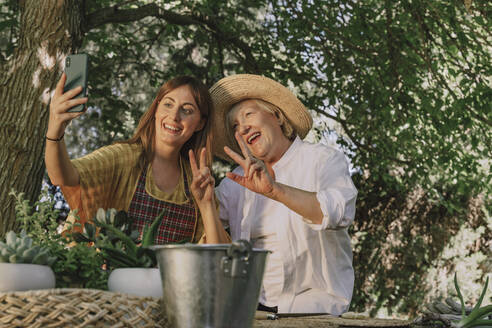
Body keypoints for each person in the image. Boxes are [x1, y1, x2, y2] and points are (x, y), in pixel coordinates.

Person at [210, 74, 358, 314]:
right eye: (235, 125)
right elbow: (202, 223)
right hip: (250, 311)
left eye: (248, 114)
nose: (243, 127)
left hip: (315, 308)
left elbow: (338, 213)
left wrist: (275, 191)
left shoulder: (322, 161)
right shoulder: (236, 181)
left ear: (277, 116)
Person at [45, 73, 229, 244]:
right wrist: (56, 128)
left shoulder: (198, 180)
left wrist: (206, 205)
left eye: (187, 110)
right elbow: (62, 177)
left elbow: (216, 256)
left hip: (171, 280)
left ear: (200, 124)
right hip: (110, 277)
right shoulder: (123, 157)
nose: (174, 116)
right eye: (168, 104)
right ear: (156, 108)